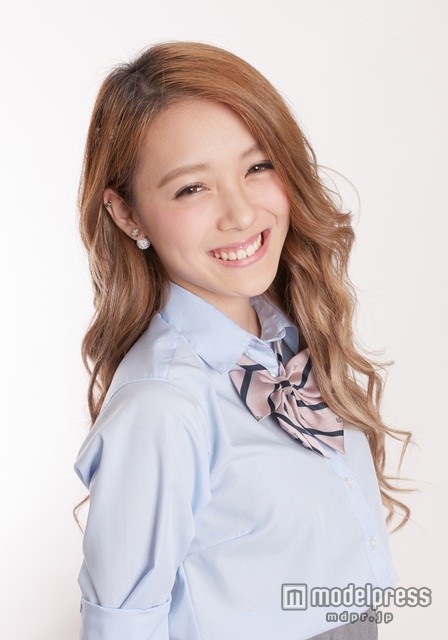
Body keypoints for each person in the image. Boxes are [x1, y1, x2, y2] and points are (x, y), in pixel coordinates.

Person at [72, 40, 413, 640]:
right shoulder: (163, 403)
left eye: (257, 168)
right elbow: (120, 627)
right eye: (191, 188)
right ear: (127, 215)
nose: (241, 213)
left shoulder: (290, 337)